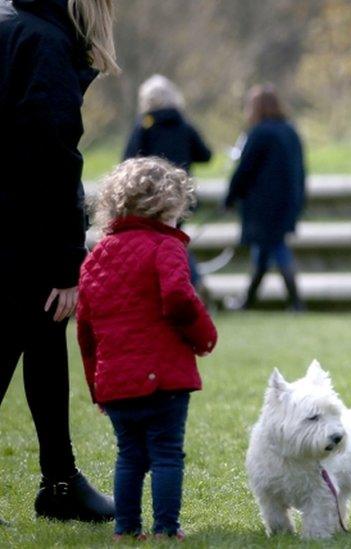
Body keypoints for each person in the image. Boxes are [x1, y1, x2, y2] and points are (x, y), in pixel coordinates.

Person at [0, 0, 118, 522]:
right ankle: (61, 482)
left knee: (47, 340)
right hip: (20, 233)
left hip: (14, 227)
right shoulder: (43, 42)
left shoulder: (12, 26)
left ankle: (61, 482)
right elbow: (52, 157)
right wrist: (69, 262)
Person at [76, 157, 218, 541]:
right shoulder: (166, 246)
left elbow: (86, 331)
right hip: (164, 378)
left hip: (116, 382)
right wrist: (204, 336)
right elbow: (178, 296)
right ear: (166, 207)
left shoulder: (96, 258)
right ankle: (166, 529)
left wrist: (96, 386)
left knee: (129, 457)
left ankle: (125, 528)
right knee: (167, 454)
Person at [122, 74, 213, 292]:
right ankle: (192, 282)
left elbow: (128, 158)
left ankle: (184, 283)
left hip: (150, 196)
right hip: (180, 195)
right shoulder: (183, 124)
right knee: (175, 240)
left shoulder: (144, 126)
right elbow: (205, 154)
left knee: (155, 242)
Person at [224, 84, 306, 311]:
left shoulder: (259, 133)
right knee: (265, 249)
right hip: (287, 202)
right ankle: (249, 300)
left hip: (263, 205)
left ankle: (295, 301)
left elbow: (244, 170)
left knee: (275, 247)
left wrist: (230, 198)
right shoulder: (290, 131)